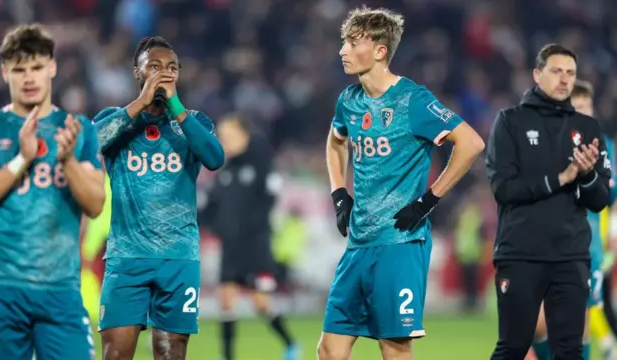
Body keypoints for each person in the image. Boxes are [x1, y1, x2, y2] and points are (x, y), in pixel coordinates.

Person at [318, 7, 485, 360]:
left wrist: (429, 201)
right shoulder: (349, 101)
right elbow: (335, 143)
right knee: (330, 350)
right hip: (358, 243)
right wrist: (338, 193)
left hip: (400, 243)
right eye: (343, 43)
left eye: (351, 43)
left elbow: (471, 143)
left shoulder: (413, 100)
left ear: (380, 51)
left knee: (394, 349)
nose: (342, 51)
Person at [0, 24, 105, 360]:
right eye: (19, 70)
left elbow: (95, 204)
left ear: (52, 67)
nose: (29, 77)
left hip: (60, 289)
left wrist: (67, 161)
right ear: (5, 73)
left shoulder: (80, 131)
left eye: (36, 67)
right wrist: (22, 158)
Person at [93, 36, 224, 360]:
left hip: (178, 257)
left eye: (171, 67)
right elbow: (89, 144)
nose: (164, 73)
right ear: (137, 73)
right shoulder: (115, 119)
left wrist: (175, 107)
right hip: (127, 258)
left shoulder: (195, 122)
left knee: (171, 352)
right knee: (115, 354)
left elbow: (214, 157)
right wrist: (141, 103)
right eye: (154, 66)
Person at [486, 44, 611, 360]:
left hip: (571, 256)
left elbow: (599, 200)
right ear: (537, 74)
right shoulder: (510, 122)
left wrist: (585, 176)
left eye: (570, 73)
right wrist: (560, 178)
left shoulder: (587, 128)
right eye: (556, 71)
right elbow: (503, 188)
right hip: (520, 255)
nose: (565, 79)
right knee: (513, 347)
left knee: (569, 350)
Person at [528, 80, 617, 360]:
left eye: (586, 108)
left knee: (581, 324)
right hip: (545, 245)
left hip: (585, 247)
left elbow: (610, 195)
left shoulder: (603, 147)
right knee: (536, 323)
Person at [202, 113, 300, 360]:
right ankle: (227, 356)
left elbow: (270, 197)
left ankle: (290, 344)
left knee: (260, 303)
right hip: (231, 246)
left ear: (245, 135)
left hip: (255, 246)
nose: (226, 141)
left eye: (230, 136)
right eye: (223, 137)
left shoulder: (261, 161)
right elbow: (212, 206)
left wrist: (253, 227)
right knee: (226, 301)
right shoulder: (225, 170)